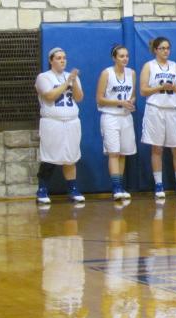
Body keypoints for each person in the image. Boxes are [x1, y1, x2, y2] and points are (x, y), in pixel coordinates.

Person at [35, 47, 85, 204]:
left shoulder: (71, 77)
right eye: (58, 58)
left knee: (71, 157)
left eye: (64, 57)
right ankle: (42, 190)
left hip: (72, 121)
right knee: (49, 157)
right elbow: (50, 96)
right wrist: (67, 83)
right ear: (51, 60)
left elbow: (79, 98)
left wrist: (73, 82)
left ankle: (73, 189)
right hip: (52, 122)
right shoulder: (44, 77)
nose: (62, 60)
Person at [140, 36, 176, 199]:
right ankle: (159, 184)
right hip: (155, 109)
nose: (166, 51)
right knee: (157, 148)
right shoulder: (149, 66)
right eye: (162, 48)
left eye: (168, 48)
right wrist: (159, 87)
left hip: (173, 109)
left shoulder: (174, 66)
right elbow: (143, 91)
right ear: (155, 50)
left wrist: (173, 87)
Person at [96, 45, 137, 200]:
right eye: (121, 56)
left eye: (126, 56)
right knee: (113, 152)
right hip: (110, 116)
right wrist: (119, 103)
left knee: (123, 153)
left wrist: (130, 102)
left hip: (125, 116)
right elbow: (99, 99)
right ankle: (116, 188)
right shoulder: (106, 73)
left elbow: (133, 95)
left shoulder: (131, 73)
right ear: (114, 58)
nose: (125, 59)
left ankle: (120, 186)